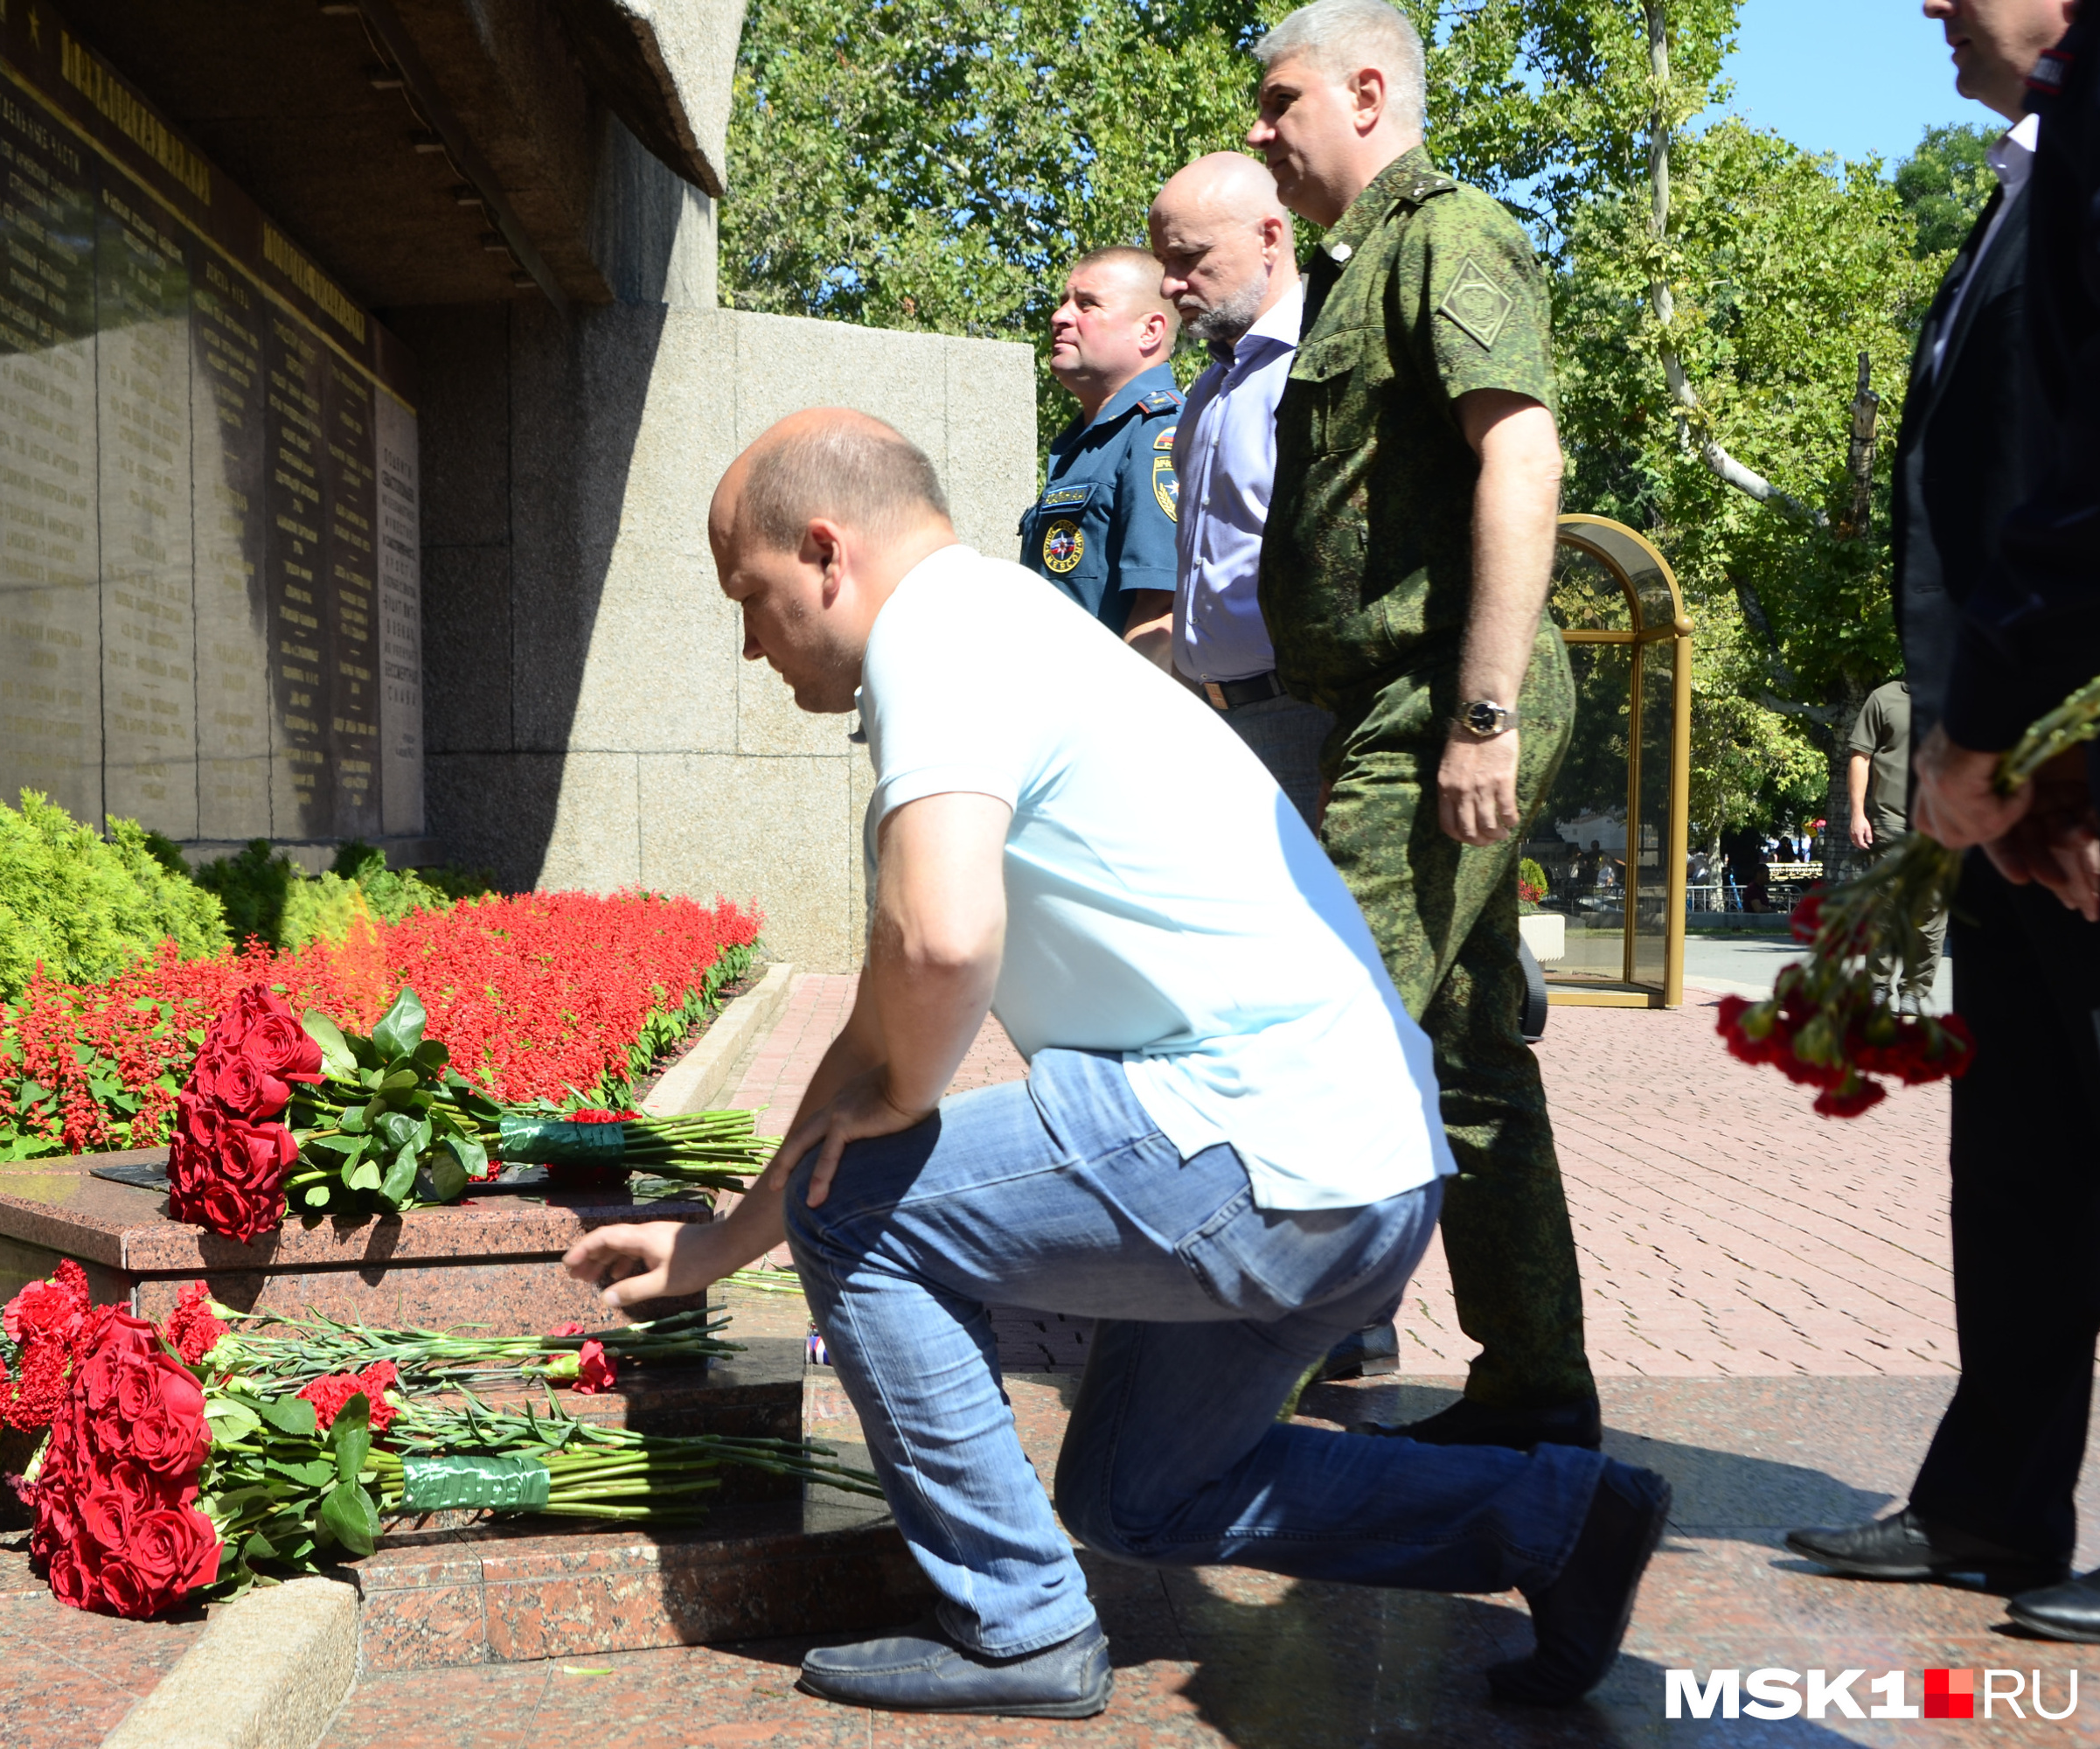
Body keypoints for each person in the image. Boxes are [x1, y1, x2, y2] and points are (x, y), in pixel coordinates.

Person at [565, 408, 1672, 1717]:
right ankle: (1558, 1519)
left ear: (824, 553)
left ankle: (1021, 1626)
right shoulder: (1008, 629)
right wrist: (714, 1248)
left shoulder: (941, 632)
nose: (751, 643)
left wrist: (892, 1121)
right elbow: (874, 1029)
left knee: (862, 1203)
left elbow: (936, 945)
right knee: (1134, 1496)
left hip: (1251, 1147)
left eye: (749, 599)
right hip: (1359, 1174)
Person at [1244, 0, 1597, 1453]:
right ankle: (1537, 1399)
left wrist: (1482, 714)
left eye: (1281, 102)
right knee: (1466, 1065)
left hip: (1439, 702)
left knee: (1310, 1037)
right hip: (1393, 708)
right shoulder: (1356, 268)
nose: (1261, 133)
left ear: (1368, 91)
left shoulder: (1448, 237)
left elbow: (1521, 452)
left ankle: (1206, 1405)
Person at [1789, 0, 2100, 1641]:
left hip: (2076, 764)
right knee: (2031, 1160)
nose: (1925, 3)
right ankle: (1991, 1508)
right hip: (2011, 782)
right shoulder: (2019, 190)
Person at [1146, 153, 1342, 824]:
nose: (1170, 286)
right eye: (1162, 263)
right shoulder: (1208, 390)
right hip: (1207, 721)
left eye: (1189, 258)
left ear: (1270, 237)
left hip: (1305, 725)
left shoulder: (1326, 365)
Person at [1016, 247, 1182, 650]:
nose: (1059, 317)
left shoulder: (1158, 431)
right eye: (1063, 302)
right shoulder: (1087, 442)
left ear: (1150, 331)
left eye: (1087, 304)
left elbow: (1162, 614)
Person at [1845, 678, 1946, 1007]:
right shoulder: (1883, 697)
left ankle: (1915, 990)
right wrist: (1858, 814)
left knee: (1931, 910)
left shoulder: (1957, 693)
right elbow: (1860, 756)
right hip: (1891, 821)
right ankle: (1877, 986)